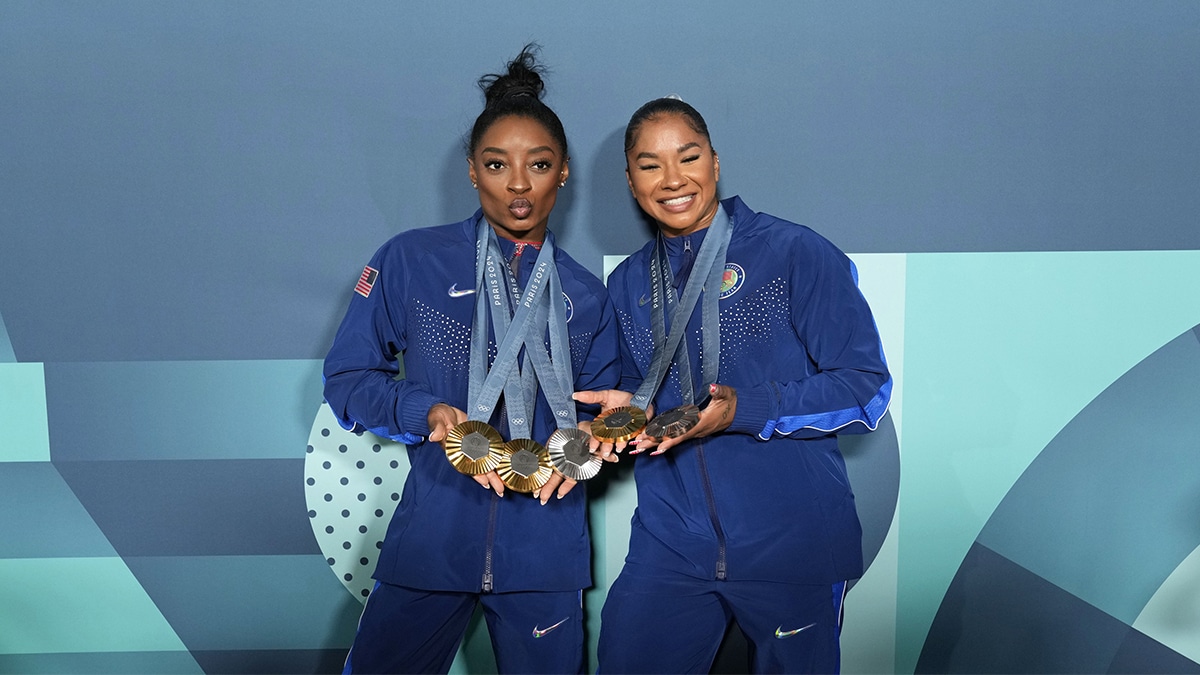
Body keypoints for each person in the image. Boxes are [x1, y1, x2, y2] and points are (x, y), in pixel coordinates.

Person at [322, 46, 620, 674]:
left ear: (563, 173)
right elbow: (348, 379)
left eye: (538, 165)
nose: (518, 184)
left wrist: (597, 438)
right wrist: (424, 409)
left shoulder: (587, 295)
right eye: (496, 164)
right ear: (472, 171)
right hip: (430, 543)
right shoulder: (411, 260)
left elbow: (602, 414)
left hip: (546, 552)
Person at [577, 97, 892, 674]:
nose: (673, 180)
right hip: (671, 544)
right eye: (650, 165)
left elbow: (865, 385)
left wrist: (746, 409)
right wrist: (624, 411)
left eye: (688, 157)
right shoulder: (626, 284)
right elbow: (633, 394)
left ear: (715, 163)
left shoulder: (793, 252)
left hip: (792, 544)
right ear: (630, 180)